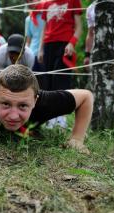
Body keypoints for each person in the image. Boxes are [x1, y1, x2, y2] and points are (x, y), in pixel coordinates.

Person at [37, 0, 83, 129]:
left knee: (61, 80)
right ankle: (49, 118)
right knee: (48, 82)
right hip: (48, 46)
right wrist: (40, 49)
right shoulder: (46, 4)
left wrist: (72, 43)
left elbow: (79, 27)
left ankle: (61, 118)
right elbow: (44, 28)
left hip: (65, 45)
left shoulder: (73, 1)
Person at [25, 0, 45, 73]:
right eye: (27, 1)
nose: (29, 3)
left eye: (31, 0)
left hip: (45, 52)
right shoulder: (28, 19)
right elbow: (28, 41)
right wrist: (26, 56)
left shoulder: (46, 14)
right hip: (32, 54)